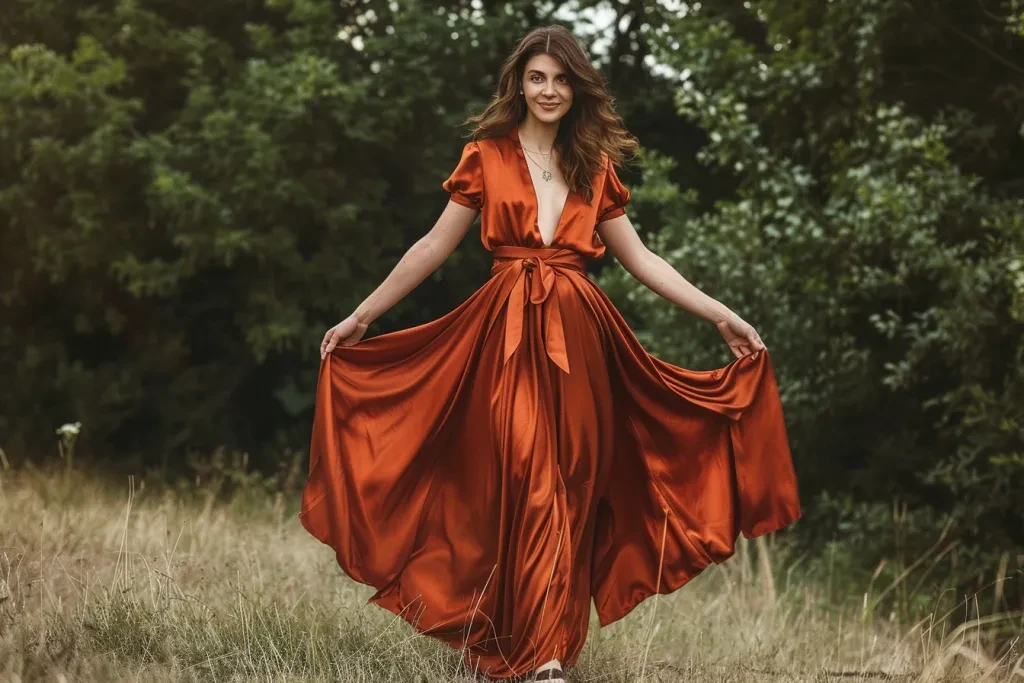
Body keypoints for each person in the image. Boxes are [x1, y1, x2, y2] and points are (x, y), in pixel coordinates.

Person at [300, 25, 801, 683]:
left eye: (562, 79)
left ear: (577, 89)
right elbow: (430, 245)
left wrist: (720, 312)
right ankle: (526, 651)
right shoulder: (484, 156)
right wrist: (363, 314)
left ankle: (543, 654)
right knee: (522, 480)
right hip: (503, 338)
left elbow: (643, 258)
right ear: (519, 84)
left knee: (568, 492)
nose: (549, 90)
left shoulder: (594, 168)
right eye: (537, 77)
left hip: (580, 345)